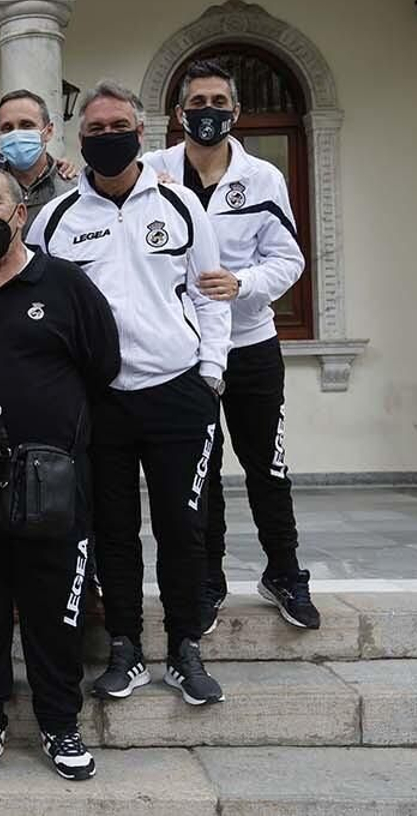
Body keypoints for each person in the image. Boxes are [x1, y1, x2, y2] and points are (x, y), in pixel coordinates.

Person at [25, 81, 231, 707]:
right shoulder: (55, 219)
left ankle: (185, 647)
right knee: (112, 530)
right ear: (79, 139)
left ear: (141, 134)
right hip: (101, 402)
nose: (108, 137)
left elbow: (210, 293)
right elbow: (34, 303)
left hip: (179, 395)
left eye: (119, 127)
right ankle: (125, 648)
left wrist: (211, 372)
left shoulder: (180, 206)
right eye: (96, 129)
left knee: (183, 527)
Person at [0, 168, 120, 781]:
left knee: (53, 612)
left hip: (52, 488)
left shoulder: (65, 284)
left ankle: (61, 724)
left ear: (21, 212)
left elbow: (103, 366)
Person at [145, 60, 319, 633]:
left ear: (236, 112)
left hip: (250, 345)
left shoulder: (263, 178)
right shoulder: (154, 172)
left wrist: (244, 285)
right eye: (196, 102)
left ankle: (285, 572)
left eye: (218, 101)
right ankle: (207, 578)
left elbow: (289, 259)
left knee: (267, 464)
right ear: (178, 113)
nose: (207, 111)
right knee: (203, 471)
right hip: (185, 353)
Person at [0, 89, 68, 233]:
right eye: (7, 128)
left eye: (26, 125)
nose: (16, 134)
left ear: (49, 131)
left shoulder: (72, 189)